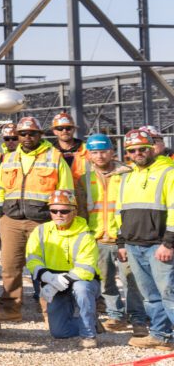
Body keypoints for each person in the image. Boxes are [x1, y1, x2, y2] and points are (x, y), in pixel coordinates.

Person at [0, 115, 73, 321]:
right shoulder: (9, 158)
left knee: (46, 267)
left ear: (40, 134)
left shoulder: (54, 157)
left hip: (43, 221)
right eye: (22, 134)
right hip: (11, 220)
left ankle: (51, 310)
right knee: (10, 266)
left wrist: (60, 218)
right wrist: (1, 213)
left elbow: (65, 189)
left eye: (32, 133)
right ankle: (11, 308)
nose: (27, 137)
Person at [115, 129, 174, 350]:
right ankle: (161, 335)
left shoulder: (168, 172)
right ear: (127, 153)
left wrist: (169, 243)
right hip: (133, 245)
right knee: (150, 296)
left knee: (169, 293)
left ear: (152, 149)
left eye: (142, 149)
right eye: (132, 150)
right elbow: (120, 212)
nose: (138, 153)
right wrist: (121, 243)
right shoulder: (127, 177)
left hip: (159, 245)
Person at [27, 189, 99, 349]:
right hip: (54, 282)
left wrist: (56, 284)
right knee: (59, 332)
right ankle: (92, 323)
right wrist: (47, 277)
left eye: (64, 211)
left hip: (81, 282)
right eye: (54, 210)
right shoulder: (40, 231)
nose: (59, 214)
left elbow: (86, 269)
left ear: (74, 211)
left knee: (81, 289)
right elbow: (32, 259)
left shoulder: (85, 235)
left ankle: (89, 334)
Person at [80, 133, 136, 334]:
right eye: (95, 152)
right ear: (89, 155)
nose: (100, 156)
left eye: (103, 151)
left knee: (131, 280)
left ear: (112, 152)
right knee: (106, 282)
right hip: (98, 238)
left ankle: (137, 317)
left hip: (124, 238)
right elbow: (81, 210)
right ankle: (116, 316)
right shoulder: (84, 179)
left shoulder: (128, 174)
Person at [52, 114, 87, 178]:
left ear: (74, 129)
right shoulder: (49, 152)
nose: (64, 131)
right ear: (54, 131)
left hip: (82, 187)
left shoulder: (86, 149)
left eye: (68, 128)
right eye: (60, 128)